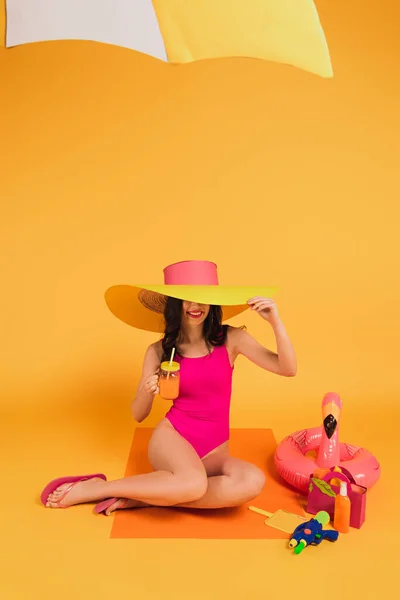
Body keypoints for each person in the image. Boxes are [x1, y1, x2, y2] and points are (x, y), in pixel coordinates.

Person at [41, 260, 297, 515]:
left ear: (212, 301)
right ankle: (98, 488)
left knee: (252, 481)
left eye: (201, 298)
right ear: (174, 305)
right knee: (194, 483)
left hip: (215, 449)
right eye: (186, 299)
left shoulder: (231, 339)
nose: (195, 306)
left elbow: (288, 368)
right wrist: (145, 389)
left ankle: (150, 496)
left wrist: (275, 322)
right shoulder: (158, 350)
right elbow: (138, 414)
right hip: (173, 439)